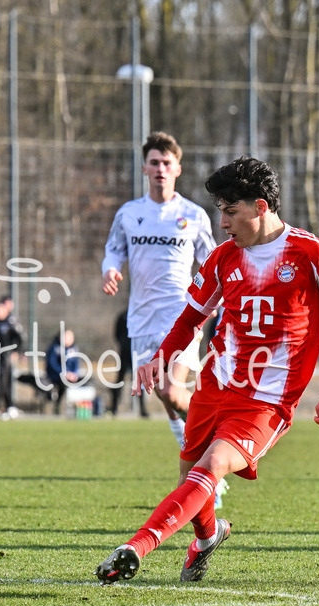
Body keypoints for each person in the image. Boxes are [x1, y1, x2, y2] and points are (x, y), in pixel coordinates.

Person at [96, 157, 319, 585]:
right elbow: (190, 319)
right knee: (191, 475)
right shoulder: (224, 258)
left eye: (229, 211)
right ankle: (207, 539)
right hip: (215, 384)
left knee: (211, 466)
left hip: (266, 400)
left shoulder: (311, 253)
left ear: (261, 207)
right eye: (219, 210)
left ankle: (136, 546)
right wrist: (158, 358)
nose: (221, 222)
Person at [101, 132, 216, 451]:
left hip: (182, 317)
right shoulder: (128, 213)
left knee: (170, 392)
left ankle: (216, 447)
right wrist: (110, 270)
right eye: (154, 162)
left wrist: (214, 301)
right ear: (144, 169)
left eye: (167, 163)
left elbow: (212, 262)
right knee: (167, 402)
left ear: (178, 168)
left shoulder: (193, 215)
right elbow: (113, 250)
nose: (160, 169)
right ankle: (205, 461)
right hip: (141, 321)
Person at [109, 308, 147, 417]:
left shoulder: (140, 316)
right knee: (119, 381)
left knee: (139, 380)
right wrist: (123, 344)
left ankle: (142, 409)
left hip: (136, 352)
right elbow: (116, 333)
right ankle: (114, 407)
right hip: (124, 352)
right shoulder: (123, 316)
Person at [45, 328, 84, 414]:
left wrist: (74, 374)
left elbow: (76, 364)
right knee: (63, 384)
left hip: (71, 377)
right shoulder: (54, 348)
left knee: (88, 381)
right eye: (65, 337)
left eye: (70, 337)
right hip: (56, 377)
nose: (68, 339)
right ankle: (58, 406)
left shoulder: (74, 349)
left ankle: (83, 406)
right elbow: (52, 364)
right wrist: (64, 373)